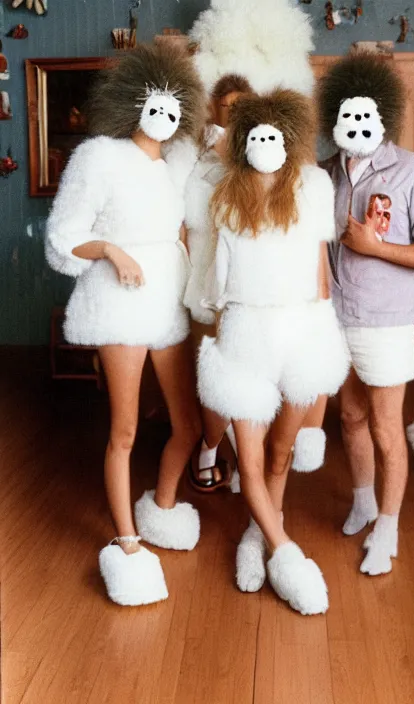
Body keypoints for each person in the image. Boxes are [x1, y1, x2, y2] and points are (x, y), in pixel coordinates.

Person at [45, 44, 206, 606]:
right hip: (118, 304)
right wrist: (112, 249)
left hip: (168, 303)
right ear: (134, 104)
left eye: (172, 109)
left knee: (189, 426)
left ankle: (161, 507)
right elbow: (62, 239)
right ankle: (129, 543)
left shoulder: (180, 163)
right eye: (153, 105)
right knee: (125, 429)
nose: (162, 118)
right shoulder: (99, 157)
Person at [197, 89, 350, 614]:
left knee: (282, 451)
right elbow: (219, 278)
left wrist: (324, 333)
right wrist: (220, 332)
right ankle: (281, 550)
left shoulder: (311, 186)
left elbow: (320, 269)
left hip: (301, 327)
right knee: (252, 454)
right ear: (243, 141)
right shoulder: (225, 195)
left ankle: (256, 535)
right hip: (244, 329)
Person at [319, 52, 414, 576]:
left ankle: (388, 528)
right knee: (349, 416)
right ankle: (362, 502)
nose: (355, 123)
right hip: (333, 319)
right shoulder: (323, 175)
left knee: (384, 425)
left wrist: (375, 249)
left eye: (365, 112)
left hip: (386, 319)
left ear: (381, 114)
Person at [182, 73, 253, 493]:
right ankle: (209, 450)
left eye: (240, 107)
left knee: (243, 377)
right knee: (213, 377)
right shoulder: (194, 157)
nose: (232, 113)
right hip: (199, 282)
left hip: (243, 285)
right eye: (227, 106)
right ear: (214, 107)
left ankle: (240, 457)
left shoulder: (253, 156)